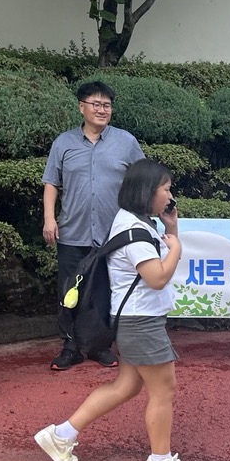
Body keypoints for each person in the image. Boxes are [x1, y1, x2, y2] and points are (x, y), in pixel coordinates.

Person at [33, 159, 197, 461]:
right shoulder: (135, 232)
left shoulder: (132, 221)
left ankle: (61, 435)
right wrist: (176, 247)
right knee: (163, 389)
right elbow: (156, 277)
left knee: (126, 386)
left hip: (132, 321)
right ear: (147, 191)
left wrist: (171, 231)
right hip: (141, 323)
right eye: (165, 188)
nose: (169, 195)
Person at [42, 80, 144, 371]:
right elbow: (51, 182)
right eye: (96, 104)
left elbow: (142, 181)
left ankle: (101, 346)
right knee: (69, 291)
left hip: (113, 233)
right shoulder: (63, 143)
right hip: (72, 231)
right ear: (81, 107)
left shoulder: (126, 142)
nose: (102, 110)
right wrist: (49, 218)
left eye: (107, 105)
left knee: (105, 290)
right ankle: (70, 346)